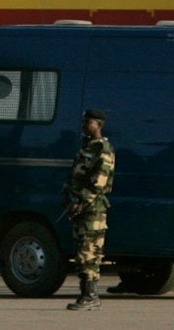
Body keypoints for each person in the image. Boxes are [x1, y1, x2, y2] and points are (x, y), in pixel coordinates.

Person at [63, 108, 116, 311]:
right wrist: (67, 196)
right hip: (82, 207)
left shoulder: (103, 149)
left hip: (93, 209)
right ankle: (88, 294)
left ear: (99, 125)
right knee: (83, 251)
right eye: (84, 122)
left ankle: (90, 295)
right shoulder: (88, 147)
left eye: (89, 123)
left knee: (89, 252)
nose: (85, 126)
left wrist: (80, 201)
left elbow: (98, 183)